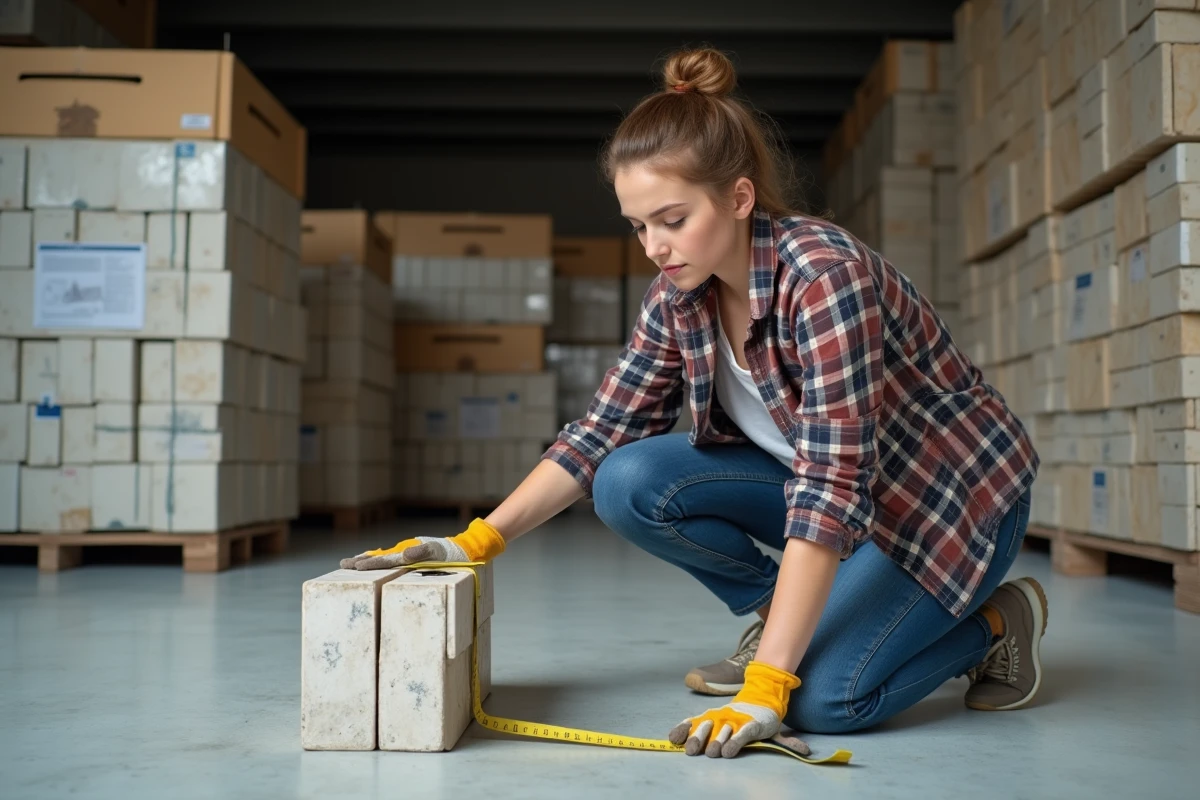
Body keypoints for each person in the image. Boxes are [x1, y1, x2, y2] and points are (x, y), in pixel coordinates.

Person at [341, 47, 1044, 760]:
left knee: (824, 702)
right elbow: (601, 434)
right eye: (639, 225)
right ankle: (791, 618)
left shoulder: (826, 279)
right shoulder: (680, 294)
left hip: (944, 504)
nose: (653, 246)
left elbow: (832, 490)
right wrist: (475, 543)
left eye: (672, 219)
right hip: (837, 495)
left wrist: (770, 683)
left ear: (740, 199)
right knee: (629, 481)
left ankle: (994, 623)